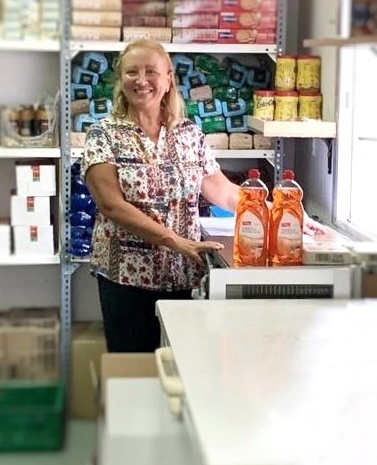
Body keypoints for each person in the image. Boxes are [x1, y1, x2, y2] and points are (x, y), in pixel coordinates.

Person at [81, 39, 326, 353]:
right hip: (126, 278)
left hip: (184, 274)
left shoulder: (188, 133)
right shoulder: (103, 134)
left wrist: (282, 212)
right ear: (121, 80)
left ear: (169, 79)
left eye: (151, 71)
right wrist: (176, 242)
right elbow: (112, 205)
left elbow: (223, 191)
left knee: (183, 365)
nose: (141, 80)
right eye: (132, 72)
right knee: (135, 367)